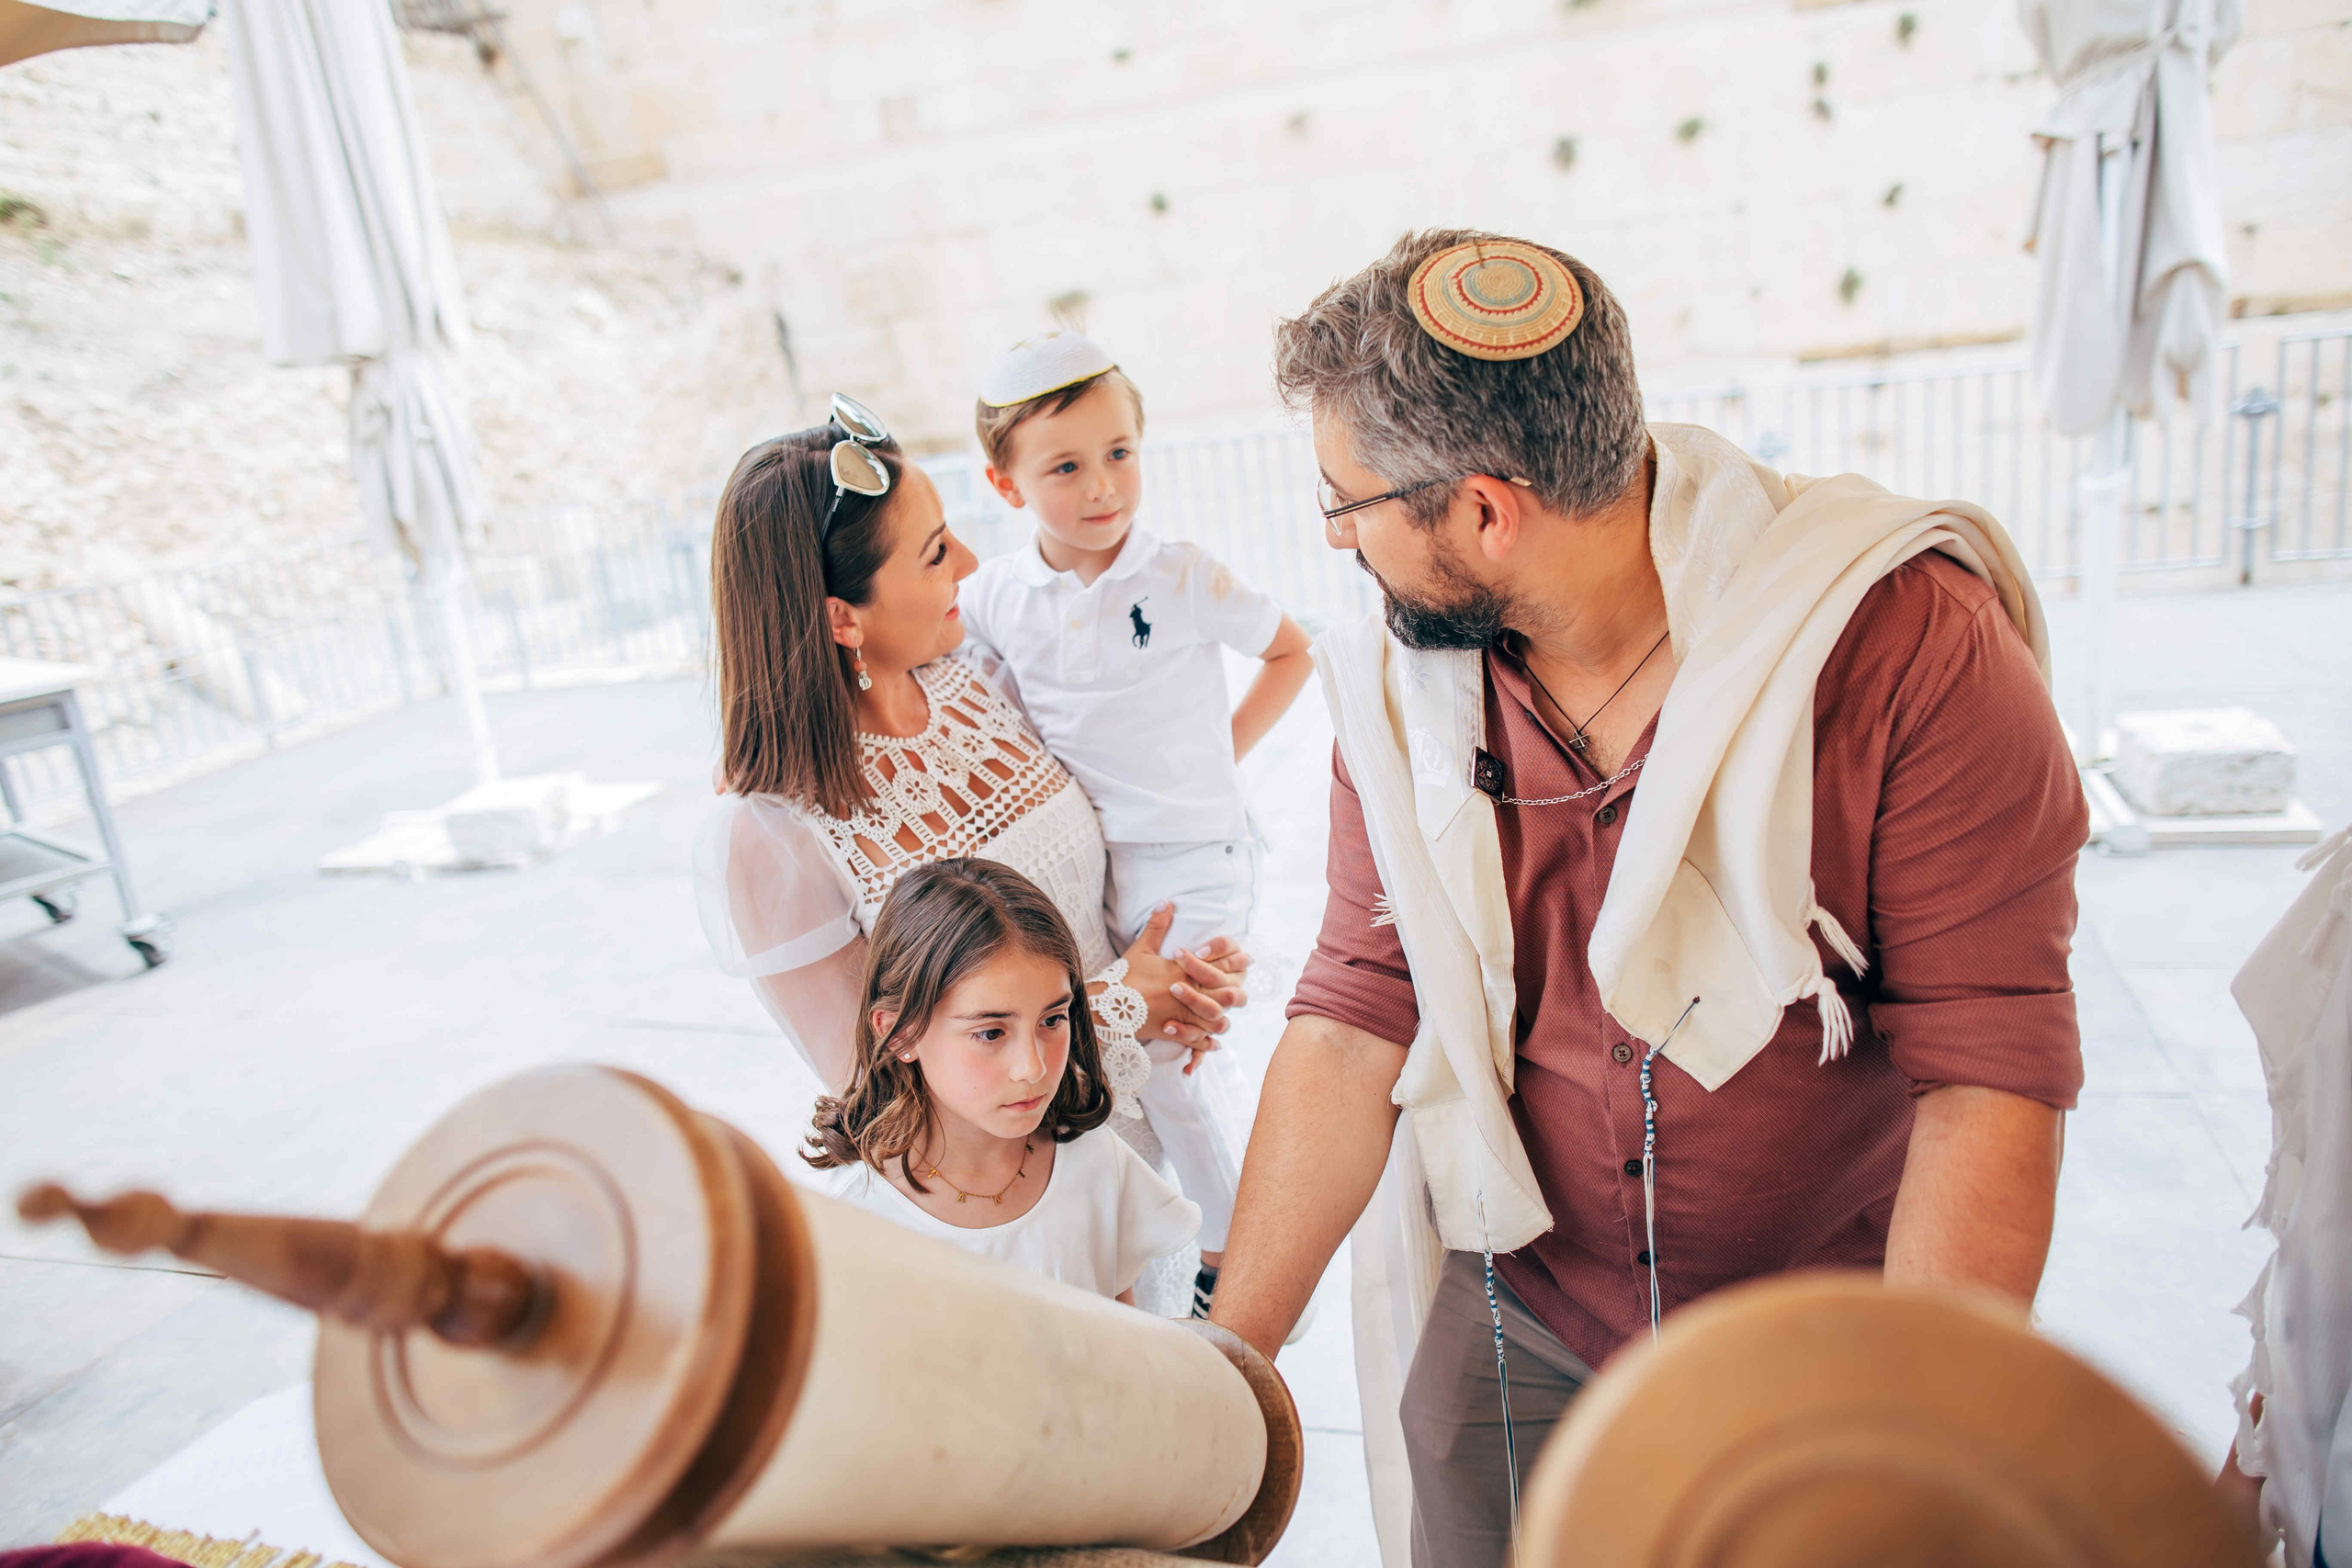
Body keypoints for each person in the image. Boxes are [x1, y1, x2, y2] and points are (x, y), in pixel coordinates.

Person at [1205, 231, 2088, 1568]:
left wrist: (1924, 1439)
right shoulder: (1403, 690)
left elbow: (1990, 1072)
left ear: (1488, 511)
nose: (1339, 542)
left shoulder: (1907, 646)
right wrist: (1231, 1361)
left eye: (1350, 504)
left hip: (1829, 1328)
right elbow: (1353, 1011)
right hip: (1521, 1300)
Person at [691, 395, 1249, 1316]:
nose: (971, 563)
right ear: (841, 619)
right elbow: (881, 1109)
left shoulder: (977, 674)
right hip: (1024, 1231)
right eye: (933, 551)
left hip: (1151, 1146)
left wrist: (1181, 977)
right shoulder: (771, 837)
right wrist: (1116, 1010)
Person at [960, 331, 1316, 1314]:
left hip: (1194, 854)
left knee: (1173, 1049)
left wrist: (1215, 761)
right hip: (1086, 867)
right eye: (1065, 467)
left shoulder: (1180, 574)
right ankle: (1163, 1239)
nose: (1102, 486)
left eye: (1120, 453)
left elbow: (1290, 654)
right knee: (1121, 1060)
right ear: (1005, 484)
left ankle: (1233, 1257)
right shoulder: (991, 598)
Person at [807, 857, 1201, 1304]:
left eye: (1052, 1020)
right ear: (899, 1034)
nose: (1032, 1068)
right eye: (991, 1033)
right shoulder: (851, 1214)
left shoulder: (1095, 1164)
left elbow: (1127, 1343)